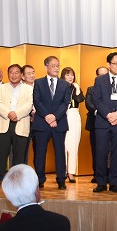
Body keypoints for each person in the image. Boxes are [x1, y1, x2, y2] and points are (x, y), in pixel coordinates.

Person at [91, 52, 117, 194]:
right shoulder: (100, 80)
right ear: (108, 64)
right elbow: (96, 100)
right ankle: (101, 183)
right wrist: (108, 115)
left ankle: (115, 182)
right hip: (103, 122)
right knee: (101, 153)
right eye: (115, 63)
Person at [33, 56, 70, 190]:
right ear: (46, 67)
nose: (56, 68)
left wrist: (55, 117)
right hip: (42, 123)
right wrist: (47, 116)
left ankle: (61, 179)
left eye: (57, 66)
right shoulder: (38, 83)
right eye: (53, 66)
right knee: (40, 152)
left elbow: (65, 103)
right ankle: (40, 179)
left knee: (60, 152)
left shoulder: (65, 84)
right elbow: (37, 101)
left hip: (59, 123)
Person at [0, 64, 33, 183]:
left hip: (21, 122)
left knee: (19, 153)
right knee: (1, 152)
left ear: (21, 75)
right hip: (5, 122)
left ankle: (17, 178)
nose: (14, 75)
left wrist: (17, 114)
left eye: (16, 72)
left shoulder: (29, 89)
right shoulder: (1, 88)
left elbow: (29, 104)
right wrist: (8, 113)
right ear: (8, 74)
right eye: (11, 72)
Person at [60, 67, 85, 183]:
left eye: (72, 75)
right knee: (63, 145)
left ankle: (71, 172)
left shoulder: (75, 88)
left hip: (74, 115)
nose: (70, 77)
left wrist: (77, 88)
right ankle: (62, 171)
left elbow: (80, 100)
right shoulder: (59, 87)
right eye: (68, 75)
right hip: (62, 115)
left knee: (74, 145)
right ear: (63, 76)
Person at [85, 66, 108, 184]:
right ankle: (97, 175)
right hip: (95, 122)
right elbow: (88, 103)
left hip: (110, 123)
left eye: (105, 74)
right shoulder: (91, 89)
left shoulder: (113, 89)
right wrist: (101, 112)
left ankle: (109, 174)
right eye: (101, 75)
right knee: (96, 150)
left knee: (110, 151)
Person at [21, 64, 36, 164]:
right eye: (28, 73)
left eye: (33, 73)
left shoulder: (39, 86)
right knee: (23, 149)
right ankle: (22, 169)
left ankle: (38, 171)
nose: (31, 75)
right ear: (23, 76)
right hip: (25, 121)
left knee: (39, 148)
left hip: (39, 121)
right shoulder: (20, 88)